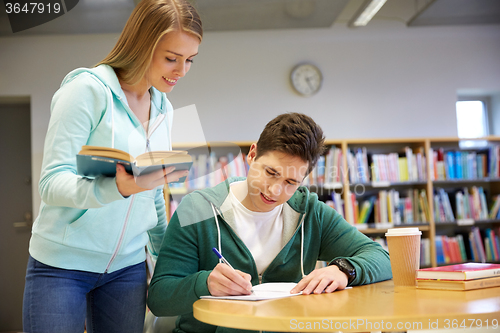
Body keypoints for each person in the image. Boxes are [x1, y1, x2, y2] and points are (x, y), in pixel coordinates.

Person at [22, 1, 202, 332]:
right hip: (62, 265)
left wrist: (165, 259)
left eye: (189, 60)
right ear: (141, 45)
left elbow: (153, 192)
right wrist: (117, 188)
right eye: (171, 58)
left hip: (127, 269)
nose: (182, 71)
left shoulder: (165, 108)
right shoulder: (86, 91)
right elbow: (51, 183)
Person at [147, 112, 393, 333]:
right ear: (252, 154)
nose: (275, 190)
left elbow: (381, 257)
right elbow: (160, 297)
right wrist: (205, 283)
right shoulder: (197, 209)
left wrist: (343, 270)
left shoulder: (311, 213)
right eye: (271, 172)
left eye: (291, 182)